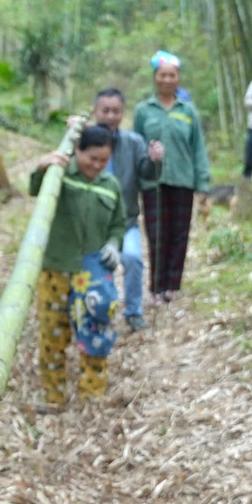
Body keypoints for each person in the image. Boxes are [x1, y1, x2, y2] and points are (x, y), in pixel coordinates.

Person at [29, 126, 127, 403]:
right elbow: (34, 189)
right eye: (91, 158)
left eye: (103, 161)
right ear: (78, 151)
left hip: (92, 273)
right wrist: (43, 166)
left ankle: (92, 393)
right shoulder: (60, 175)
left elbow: (118, 225)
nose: (96, 165)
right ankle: (53, 394)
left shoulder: (110, 186)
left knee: (97, 327)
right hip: (56, 268)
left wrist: (112, 244)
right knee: (52, 332)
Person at [133, 51, 210, 302]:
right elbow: (135, 146)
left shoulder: (188, 110)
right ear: (155, 78)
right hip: (152, 181)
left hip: (183, 180)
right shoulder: (143, 110)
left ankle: (172, 286)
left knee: (179, 233)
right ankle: (156, 286)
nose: (167, 79)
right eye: (162, 75)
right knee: (156, 233)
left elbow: (198, 147)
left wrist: (203, 184)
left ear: (178, 79)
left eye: (172, 75)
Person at [89, 88, 164, 332]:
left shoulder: (133, 142)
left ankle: (133, 311)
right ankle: (95, 313)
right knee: (95, 267)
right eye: (105, 110)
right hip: (91, 221)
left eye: (116, 111)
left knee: (132, 259)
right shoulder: (84, 140)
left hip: (126, 220)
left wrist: (154, 160)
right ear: (95, 111)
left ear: (123, 113)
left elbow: (147, 173)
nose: (111, 116)